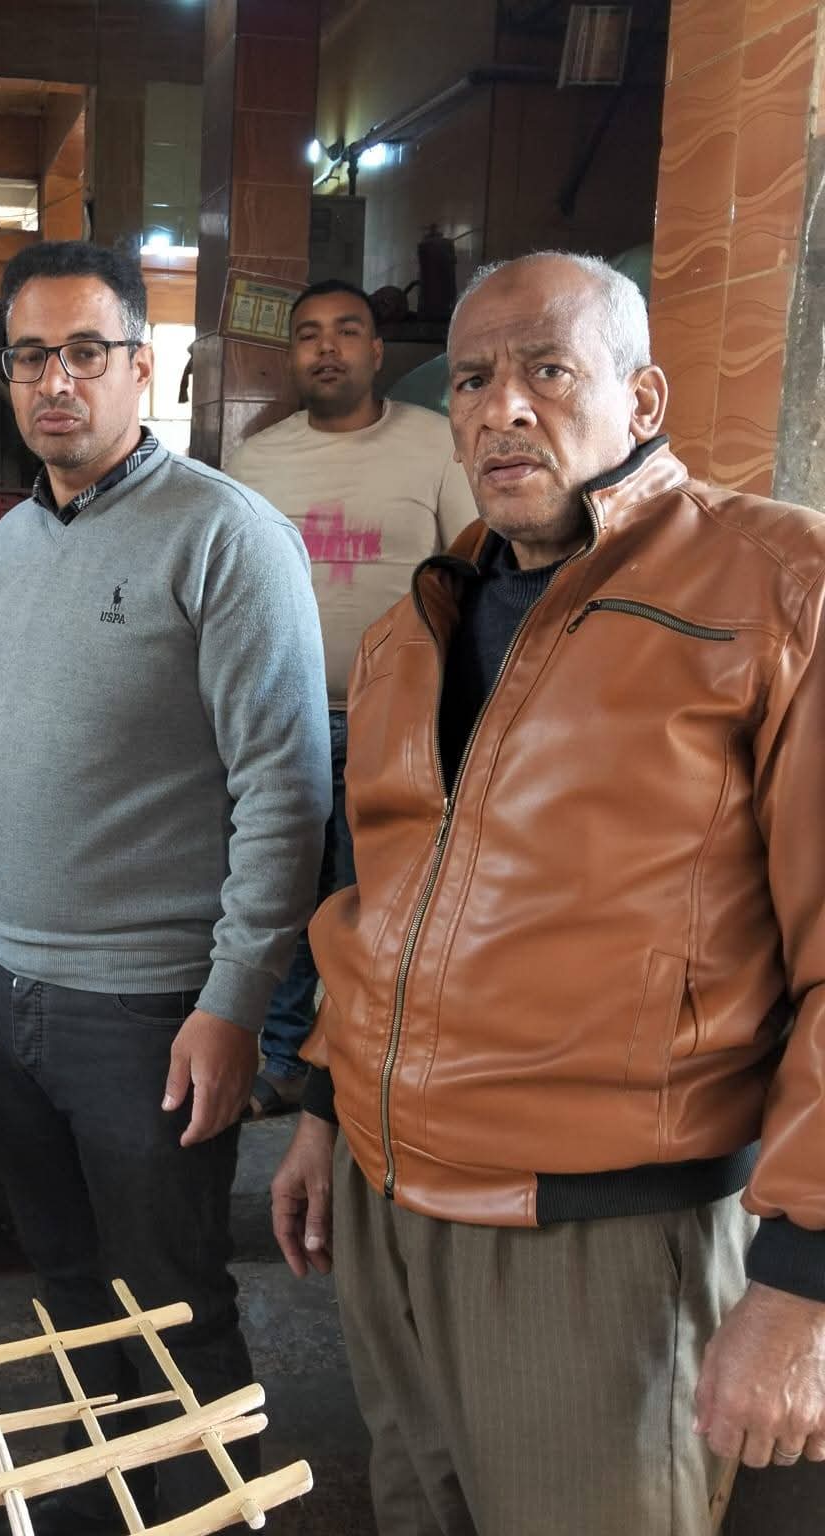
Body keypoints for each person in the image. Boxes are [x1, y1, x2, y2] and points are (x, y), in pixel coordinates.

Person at [270, 250, 825, 1536]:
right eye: (472, 379)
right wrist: (321, 1109)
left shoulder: (777, 590)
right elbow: (382, 900)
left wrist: (803, 1280)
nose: (502, 407)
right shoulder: (419, 624)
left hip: (600, 1236)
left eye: (549, 370)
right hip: (389, 1210)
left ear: (644, 398)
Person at [0, 239, 330, 1526]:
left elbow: (286, 791)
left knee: (174, 1307)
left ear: (143, 366)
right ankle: (98, 1508)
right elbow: (7, 757)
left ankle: (208, 1513)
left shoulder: (227, 538)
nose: (55, 381)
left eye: (85, 351)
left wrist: (234, 1003)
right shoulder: (8, 548)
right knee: (67, 1290)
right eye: (30, 356)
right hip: (4, 988)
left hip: (147, 1011)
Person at [224, 279, 476, 1116]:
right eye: (308, 334)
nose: (326, 347)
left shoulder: (436, 445)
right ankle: (285, 1057)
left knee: (384, 901)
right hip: (283, 724)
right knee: (285, 898)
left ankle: (371, 1069)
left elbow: (473, 568)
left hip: (399, 724)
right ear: (291, 356)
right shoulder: (255, 463)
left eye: (346, 331)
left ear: (376, 351)